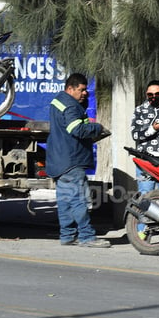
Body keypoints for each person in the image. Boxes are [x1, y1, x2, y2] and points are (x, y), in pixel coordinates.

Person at [46, 73, 112, 248]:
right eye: (81, 90)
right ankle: (87, 236)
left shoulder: (59, 101)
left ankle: (67, 235)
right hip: (71, 161)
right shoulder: (70, 106)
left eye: (86, 90)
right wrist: (97, 128)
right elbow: (77, 130)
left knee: (65, 200)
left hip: (59, 161)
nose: (85, 93)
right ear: (70, 88)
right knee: (79, 199)